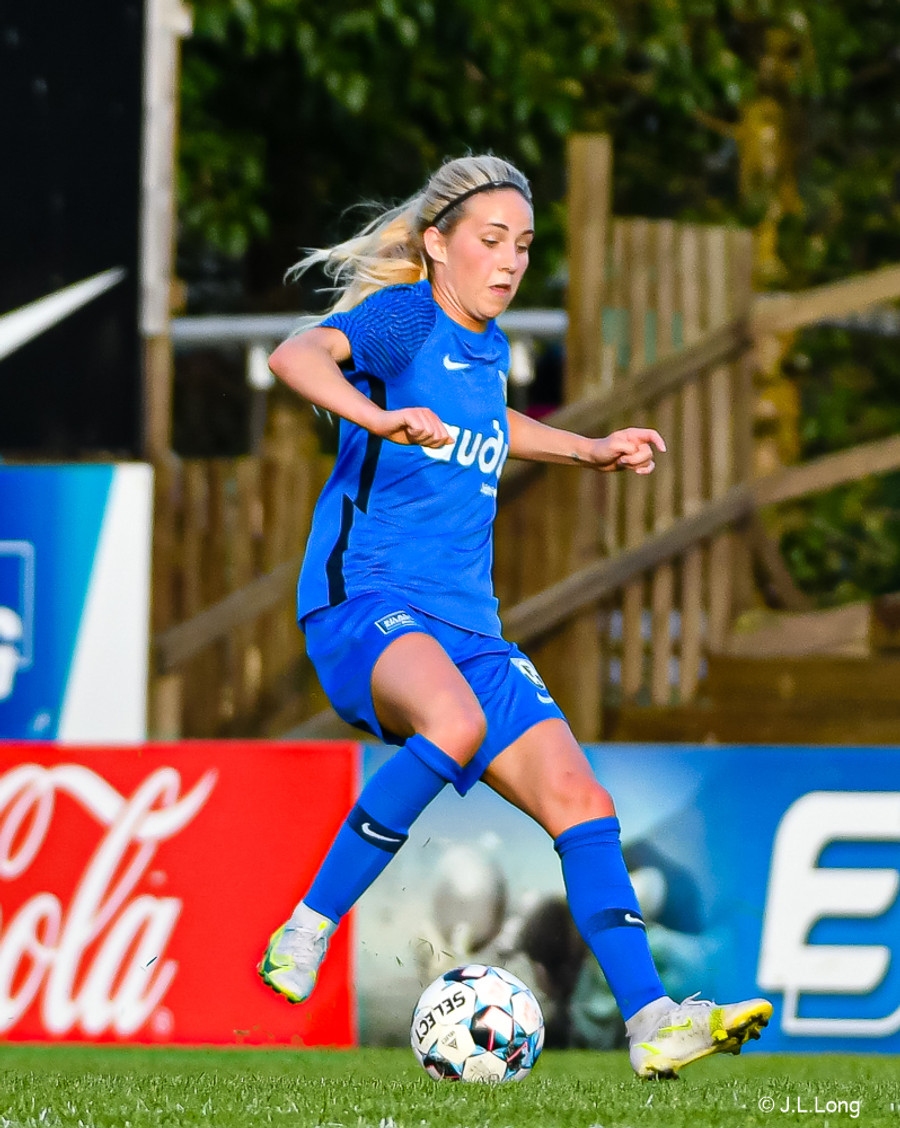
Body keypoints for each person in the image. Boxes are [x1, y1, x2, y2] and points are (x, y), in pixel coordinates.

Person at [259, 153, 771, 1079]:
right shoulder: (405, 317)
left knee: (584, 802)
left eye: (524, 246)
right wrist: (375, 419)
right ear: (436, 243)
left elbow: (492, 424)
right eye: (491, 240)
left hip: (470, 628)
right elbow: (294, 356)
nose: (509, 262)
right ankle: (307, 927)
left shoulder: (487, 344)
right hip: (366, 599)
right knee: (452, 723)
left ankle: (654, 1021)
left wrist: (589, 449)